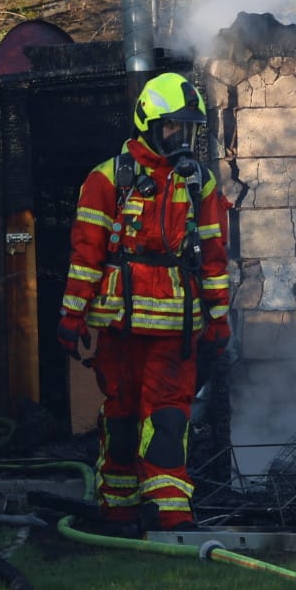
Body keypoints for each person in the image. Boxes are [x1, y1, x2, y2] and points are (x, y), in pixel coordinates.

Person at [55, 73, 231, 532]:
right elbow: (86, 255)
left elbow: (214, 257)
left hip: (175, 331)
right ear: (148, 125)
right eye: (171, 126)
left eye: (187, 128)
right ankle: (118, 509)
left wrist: (219, 319)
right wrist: (73, 315)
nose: (180, 137)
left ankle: (170, 513)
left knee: (168, 416)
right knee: (122, 415)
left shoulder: (199, 182)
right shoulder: (108, 178)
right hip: (119, 326)